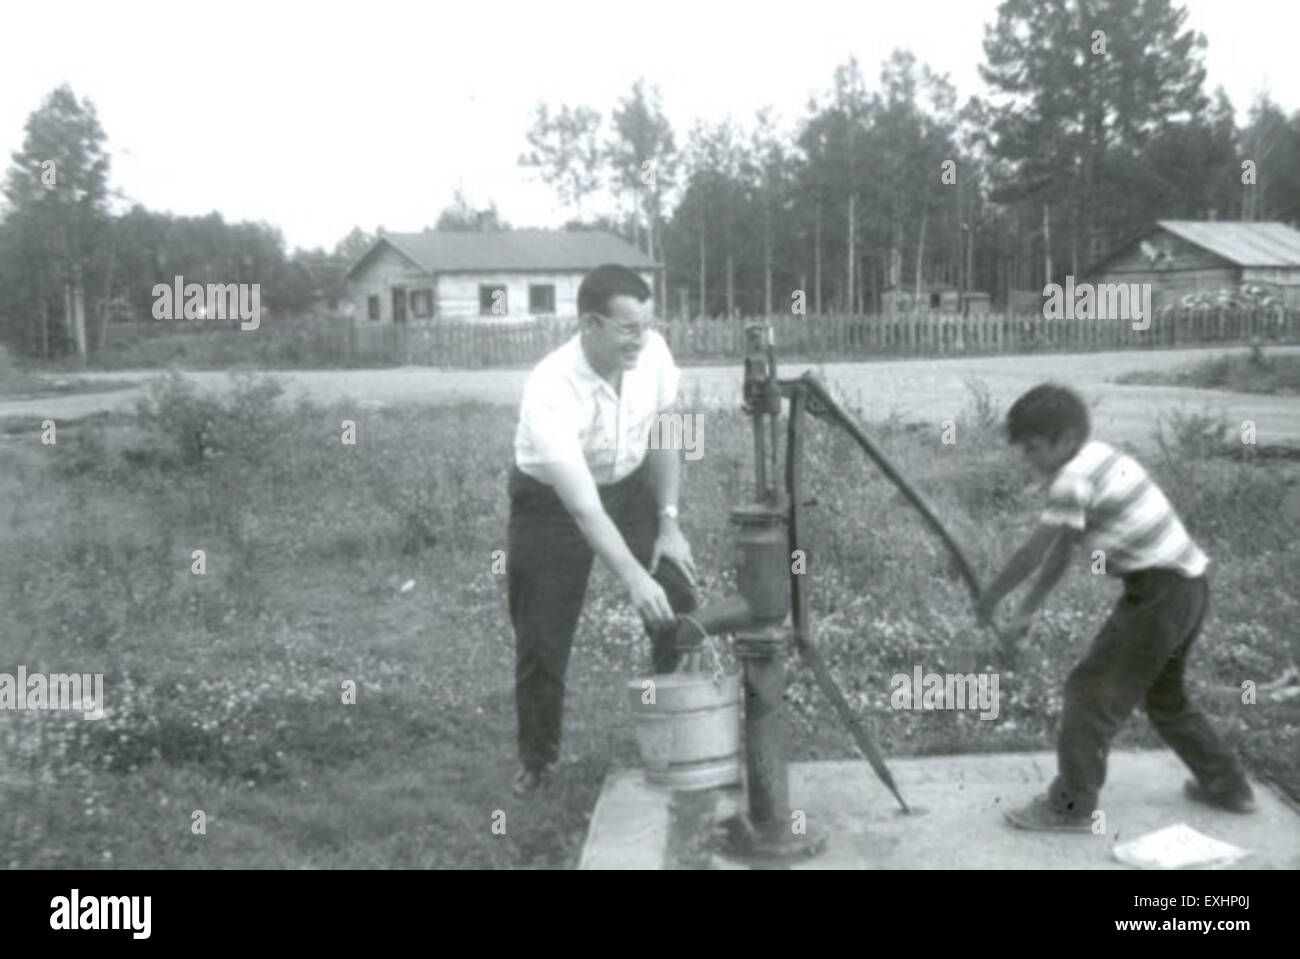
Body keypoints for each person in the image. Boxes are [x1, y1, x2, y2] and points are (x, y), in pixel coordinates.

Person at [976, 383, 1255, 831]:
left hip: (1158, 595)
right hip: (1189, 587)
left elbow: (1033, 552)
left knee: (1088, 694)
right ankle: (1229, 786)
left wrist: (990, 597)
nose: (1028, 459)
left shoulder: (1072, 479)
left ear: (1063, 439)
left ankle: (1070, 806)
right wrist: (1025, 610)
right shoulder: (1099, 457)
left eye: (1032, 449)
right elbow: (1062, 551)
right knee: (1166, 698)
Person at [506, 264, 698, 797]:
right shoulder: (550, 386)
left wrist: (669, 524)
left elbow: (667, 430)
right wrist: (633, 578)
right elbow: (584, 509)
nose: (643, 339)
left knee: (677, 594)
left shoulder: (652, 353)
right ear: (590, 324)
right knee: (542, 637)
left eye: (648, 325)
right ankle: (538, 762)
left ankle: (676, 731)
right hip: (551, 505)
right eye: (628, 328)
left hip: (630, 483)